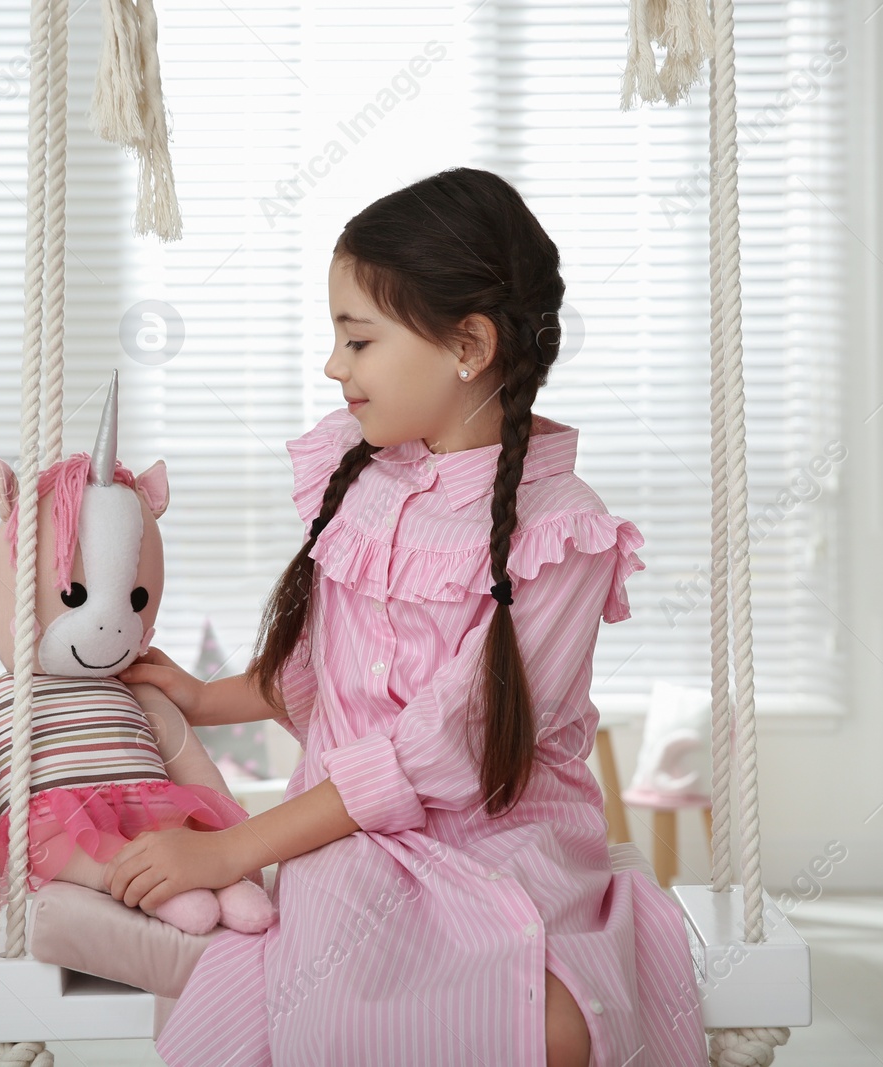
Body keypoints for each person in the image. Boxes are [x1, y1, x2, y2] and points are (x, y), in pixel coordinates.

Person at [107, 167, 706, 1066]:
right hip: (352, 835)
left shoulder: (558, 530)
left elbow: (446, 747)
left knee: (541, 1021)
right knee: (334, 988)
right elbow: (328, 670)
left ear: (468, 344)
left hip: (500, 829)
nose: (333, 366)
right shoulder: (362, 474)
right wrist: (200, 698)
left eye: (358, 339)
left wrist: (230, 852)